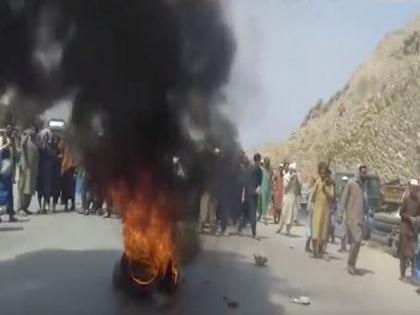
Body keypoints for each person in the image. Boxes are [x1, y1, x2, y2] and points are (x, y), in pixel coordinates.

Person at [337, 164, 368, 275]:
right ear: (358, 172)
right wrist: (339, 215)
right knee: (357, 241)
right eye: (363, 172)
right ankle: (350, 265)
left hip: (360, 218)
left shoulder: (362, 186)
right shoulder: (351, 183)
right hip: (351, 217)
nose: (364, 174)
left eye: (365, 172)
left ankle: (352, 264)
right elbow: (343, 200)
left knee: (357, 243)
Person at [311, 162, 335, 258]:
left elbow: (332, 197)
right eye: (321, 171)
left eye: (324, 172)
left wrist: (325, 190)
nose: (322, 173)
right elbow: (313, 195)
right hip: (317, 208)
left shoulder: (330, 184)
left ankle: (320, 249)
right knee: (315, 230)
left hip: (326, 210)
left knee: (323, 231)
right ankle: (314, 250)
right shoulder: (318, 181)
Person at [398, 179, 420, 281]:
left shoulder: (418, 200)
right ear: (410, 187)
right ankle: (402, 275)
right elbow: (401, 213)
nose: (414, 189)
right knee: (403, 252)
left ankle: (412, 274)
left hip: (413, 229)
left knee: (412, 252)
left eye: (416, 188)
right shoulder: (406, 198)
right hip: (404, 227)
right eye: (412, 187)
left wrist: (417, 219)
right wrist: (409, 218)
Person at [238, 153, 263, 239]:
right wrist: (256, 190)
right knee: (252, 214)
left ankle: (240, 228)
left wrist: (245, 191)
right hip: (253, 194)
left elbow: (245, 181)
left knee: (246, 214)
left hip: (248, 193)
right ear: (259, 160)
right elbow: (260, 183)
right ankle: (254, 234)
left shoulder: (249, 168)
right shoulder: (259, 170)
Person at [18, 128, 39, 215]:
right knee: (23, 188)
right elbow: (22, 145)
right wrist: (27, 135)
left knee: (29, 189)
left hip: (32, 170)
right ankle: (20, 208)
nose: (33, 133)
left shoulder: (35, 143)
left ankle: (26, 207)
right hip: (25, 169)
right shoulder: (25, 141)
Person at [277, 162, 300, 235]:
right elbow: (286, 188)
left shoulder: (296, 177)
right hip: (287, 196)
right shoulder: (286, 176)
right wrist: (290, 180)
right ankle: (280, 227)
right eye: (292, 170)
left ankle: (288, 229)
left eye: (294, 170)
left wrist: (297, 179)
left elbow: (299, 186)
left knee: (291, 214)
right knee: (284, 213)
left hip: (293, 196)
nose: (293, 171)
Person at [0, 145, 17, 222]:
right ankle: (10, 215)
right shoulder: (7, 161)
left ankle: (10, 215)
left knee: (5, 197)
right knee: (8, 197)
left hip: (4, 180)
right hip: (5, 179)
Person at [60, 143, 77, 211]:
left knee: (70, 189)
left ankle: (71, 205)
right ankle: (67, 204)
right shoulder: (66, 147)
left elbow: (74, 160)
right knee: (66, 189)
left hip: (70, 169)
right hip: (67, 170)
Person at [335, 176, 349, 252]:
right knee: (341, 229)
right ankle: (342, 246)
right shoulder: (341, 191)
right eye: (343, 181)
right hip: (341, 211)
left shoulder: (348, 191)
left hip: (346, 212)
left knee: (345, 230)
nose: (344, 183)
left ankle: (344, 247)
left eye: (345, 181)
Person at [257, 156, 272, 224]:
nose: (267, 162)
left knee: (265, 202)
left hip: (268, 187)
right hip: (262, 187)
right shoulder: (261, 169)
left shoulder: (270, 170)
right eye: (266, 161)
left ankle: (262, 215)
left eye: (267, 161)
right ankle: (262, 216)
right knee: (261, 202)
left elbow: (271, 179)